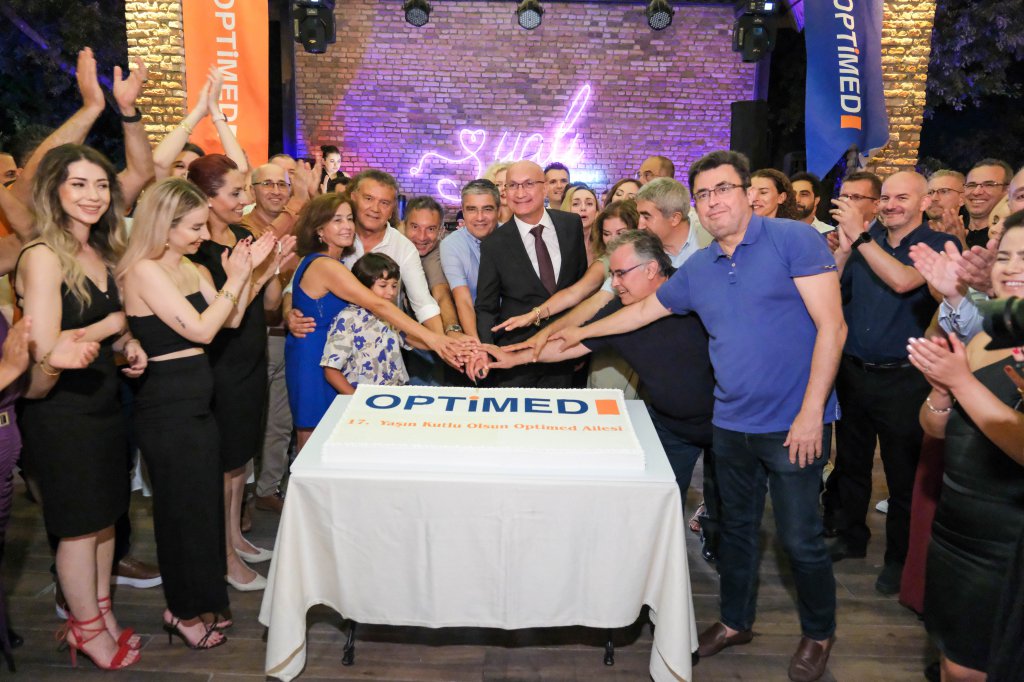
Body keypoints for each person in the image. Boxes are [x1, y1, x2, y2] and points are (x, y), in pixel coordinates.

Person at [551, 150, 845, 682]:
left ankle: (819, 633)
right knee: (736, 531)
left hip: (793, 423)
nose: (714, 201)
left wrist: (811, 413)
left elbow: (833, 327)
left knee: (800, 538)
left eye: (724, 188)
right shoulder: (699, 268)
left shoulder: (793, 240)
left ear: (748, 192)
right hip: (730, 421)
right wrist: (579, 332)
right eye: (703, 194)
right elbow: (642, 311)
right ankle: (734, 622)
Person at [118, 177, 277, 649]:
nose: (203, 235)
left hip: (199, 406)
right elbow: (203, 331)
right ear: (163, 226)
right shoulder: (145, 272)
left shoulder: (190, 268)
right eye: (193, 227)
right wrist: (236, 279)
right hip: (165, 408)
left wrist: (250, 274)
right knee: (179, 515)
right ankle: (182, 611)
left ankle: (201, 601)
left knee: (202, 511)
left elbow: (231, 318)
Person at [15, 144, 148, 670]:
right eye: (78, 184)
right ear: (54, 190)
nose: (93, 196)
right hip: (60, 414)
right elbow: (45, 354)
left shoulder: (101, 250)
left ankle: (102, 614)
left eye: (100, 185)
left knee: (106, 519)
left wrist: (127, 346)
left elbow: (105, 336)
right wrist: (110, 326)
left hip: (104, 403)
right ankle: (85, 629)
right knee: (77, 527)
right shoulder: (43, 256)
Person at [484, 228, 714, 504]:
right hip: (671, 426)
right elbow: (570, 345)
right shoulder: (618, 309)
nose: (614, 283)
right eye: (612, 275)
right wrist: (512, 358)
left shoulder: (692, 288)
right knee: (660, 502)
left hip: (726, 421)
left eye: (621, 274)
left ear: (651, 269)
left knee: (730, 510)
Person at [824, 171, 959, 596]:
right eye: (885, 198)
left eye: (902, 197)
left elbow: (903, 281)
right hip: (854, 372)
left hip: (905, 379)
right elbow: (834, 291)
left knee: (902, 475)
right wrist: (845, 250)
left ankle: (899, 558)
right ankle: (851, 536)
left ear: (925, 202)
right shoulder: (870, 241)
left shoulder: (937, 245)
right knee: (851, 464)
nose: (890, 205)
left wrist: (861, 238)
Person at [906, 218, 1024, 681]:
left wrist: (959, 382)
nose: (1011, 268)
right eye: (1005, 257)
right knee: (951, 655)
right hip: (956, 529)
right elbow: (937, 428)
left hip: (1008, 541)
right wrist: (940, 391)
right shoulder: (989, 337)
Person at [285, 194, 469, 446]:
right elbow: (378, 305)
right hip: (314, 357)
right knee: (313, 440)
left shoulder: (336, 262)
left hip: (335, 356)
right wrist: (436, 339)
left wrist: (448, 345)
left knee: (335, 440)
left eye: (349, 219)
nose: (347, 226)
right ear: (319, 229)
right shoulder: (325, 265)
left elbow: (401, 325)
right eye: (337, 220)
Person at [186, 154, 291, 593]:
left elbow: (268, 307)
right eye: (235, 193)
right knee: (224, 463)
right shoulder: (199, 253)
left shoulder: (243, 236)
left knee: (238, 463)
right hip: (222, 363)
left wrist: (273, 268)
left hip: (251, 356)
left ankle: (234, 538)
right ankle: (223, 555)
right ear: (206, 199)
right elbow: (225, 316)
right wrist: (255, 273)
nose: (244, 199)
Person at [473, 160, 588, 387]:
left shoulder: (571, 225)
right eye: (512, 185)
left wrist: (583, 341)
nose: (520, 193)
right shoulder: (494, 243)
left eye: (528, 184)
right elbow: (486, 306)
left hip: (564, 348)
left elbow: (582, 286)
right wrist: (488, 351)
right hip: (514, 355)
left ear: (544, 188)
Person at [322, 253, 433, 391]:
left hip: (396, 393)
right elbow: (331, 370)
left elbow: (410, 339)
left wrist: (442, 345)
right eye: (383, 285)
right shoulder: (348, 318)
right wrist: (355, 398)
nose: (391, 292)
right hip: (364, 396)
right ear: (363, 286)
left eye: (394, 286)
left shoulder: (390, 315)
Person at [440, 180, 501, 341]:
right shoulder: (451, 245)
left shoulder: (512, 237)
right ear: (463, 212)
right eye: (472, 209)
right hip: (472, 323)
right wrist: (476, 345)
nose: (480, 217)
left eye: (487, 209)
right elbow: (463, 300)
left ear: (498, 210)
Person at [963, 159, 1012, 248]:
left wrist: (959, 242)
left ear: (1007, 190)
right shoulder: (950, 226)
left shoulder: (1012, 234)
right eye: (971, 185)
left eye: (989, 185)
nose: (976, 192)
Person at [561, 185, 600, 262]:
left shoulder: (604, 246)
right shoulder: (557, 246)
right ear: (566, 209)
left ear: (597, 213)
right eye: (576, 204)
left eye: (589, 203)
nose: (583, 208)